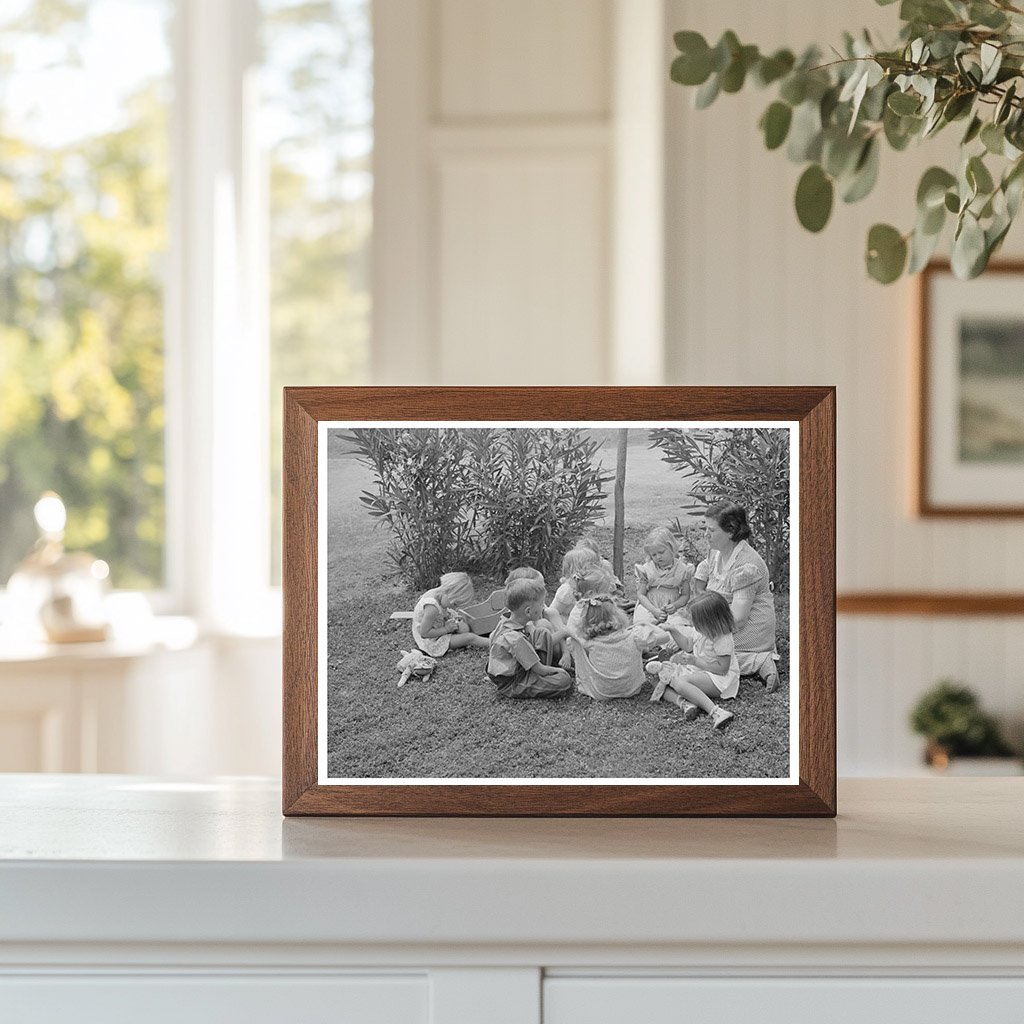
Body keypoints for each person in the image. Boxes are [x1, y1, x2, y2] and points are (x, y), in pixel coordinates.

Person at [693, 501, 780, 692]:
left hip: (748, 628)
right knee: (693, 643)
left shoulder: (747, 566)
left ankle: (760, 660)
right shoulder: (718, 551)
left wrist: (705, 630)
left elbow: (738, 619)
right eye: (705, 529)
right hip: (721, 622)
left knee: (706, 653)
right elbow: (706, 568)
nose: (706, 535)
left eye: (711, 530)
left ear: (731, 532)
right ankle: (756, 661)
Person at [645, 592, 737, 729]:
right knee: (659, 678)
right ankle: (684, 703)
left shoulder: (722, 639)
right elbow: (688, 646)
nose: (693, 623)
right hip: (699, 670)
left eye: (696, 621)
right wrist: (672, 630)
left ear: (710, 622)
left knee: (679, 682)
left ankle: (717, 712)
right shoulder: (701, 631)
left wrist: (695, 661)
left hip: (718, 679)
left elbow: (722, 669)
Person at [486, 578, 573, 699]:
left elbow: (541, 640)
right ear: (528, 611)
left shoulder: (507, 621)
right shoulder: (515, 639)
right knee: (564, 680)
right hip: (514, 680)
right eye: (541, 604)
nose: (543, 607)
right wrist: (559, 671)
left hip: (523, 665)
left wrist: (563, 635)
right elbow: (539, 669)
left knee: (542, 633)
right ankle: (534, 682)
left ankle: (541, 676)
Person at [566, 595, 646, 701]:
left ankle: (586, 679)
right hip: (632, 689)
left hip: (602, 693)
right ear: (617, 615)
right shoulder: (632, 635)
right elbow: (663, 637)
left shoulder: (590, 643)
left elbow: (571, 633)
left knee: (572, 642)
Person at [411, 571, 490, 657]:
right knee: (469, 638)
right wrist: (446, 629)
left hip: (435, 627)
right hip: (431, 641)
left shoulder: (437, 593)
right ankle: (494, 643)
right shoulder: (432, 608)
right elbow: (424, 633)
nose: (453, 607)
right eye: (454, 604)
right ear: (448, 593)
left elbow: (442, 611)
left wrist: (452, 618)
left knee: (464, 627)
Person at [633, 527, 694, 628]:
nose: (658, 557)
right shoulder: (647, 569)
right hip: (650, 605)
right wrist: (653, 610)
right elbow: (641, 594)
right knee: (643, 622)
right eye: (654, 555)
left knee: (677, 624)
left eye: (661, 552)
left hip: (672, 606)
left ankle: (669, 638)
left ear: (671, 547)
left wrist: (675, 605)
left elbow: (685, 595)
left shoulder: (682, 569)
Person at [547, 547, 600, 630]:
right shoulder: (567, 590)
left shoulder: (592, 586)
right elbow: (552, 612)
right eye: (593, 566)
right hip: (565, 625)